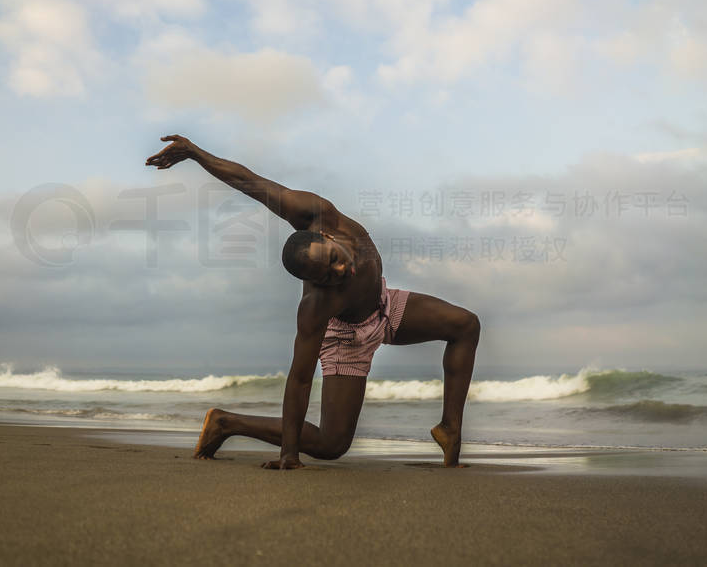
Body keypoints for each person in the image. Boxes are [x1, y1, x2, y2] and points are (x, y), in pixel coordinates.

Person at [146, 135, 481, 468]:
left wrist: (194, 152)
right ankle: (227, 423)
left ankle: (449, 427)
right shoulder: (316, 307)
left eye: (335, 257)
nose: (343, 270)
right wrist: (288, 454)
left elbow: (249, 182)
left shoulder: (316, 212)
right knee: (331, 444)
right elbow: (300, 378)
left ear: (327, 237)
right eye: (329, 275)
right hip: (348, 337)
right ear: (317, 283)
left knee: (465, 326)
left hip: (383, 304)